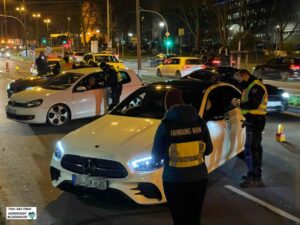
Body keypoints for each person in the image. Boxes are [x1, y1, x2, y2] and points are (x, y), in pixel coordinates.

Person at [152, 88, 213, 225]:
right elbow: (208, 149)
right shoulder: (199, 121)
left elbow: (156, 155)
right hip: (199, 178)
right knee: (194, 218)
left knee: (179, 219)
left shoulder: (165, 125)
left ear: (167, 106)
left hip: (174, 180)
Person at [231, 69, 268, 188]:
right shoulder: (251, 86)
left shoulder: (256, 86)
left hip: (255, 121)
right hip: (253, 120)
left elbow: (253, 104)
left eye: (240, 79)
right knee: (255, 149)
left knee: (251, 149)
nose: (239, 82)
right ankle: (254, 175)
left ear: (245, 75)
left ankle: (254, 177)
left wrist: (238, 104)